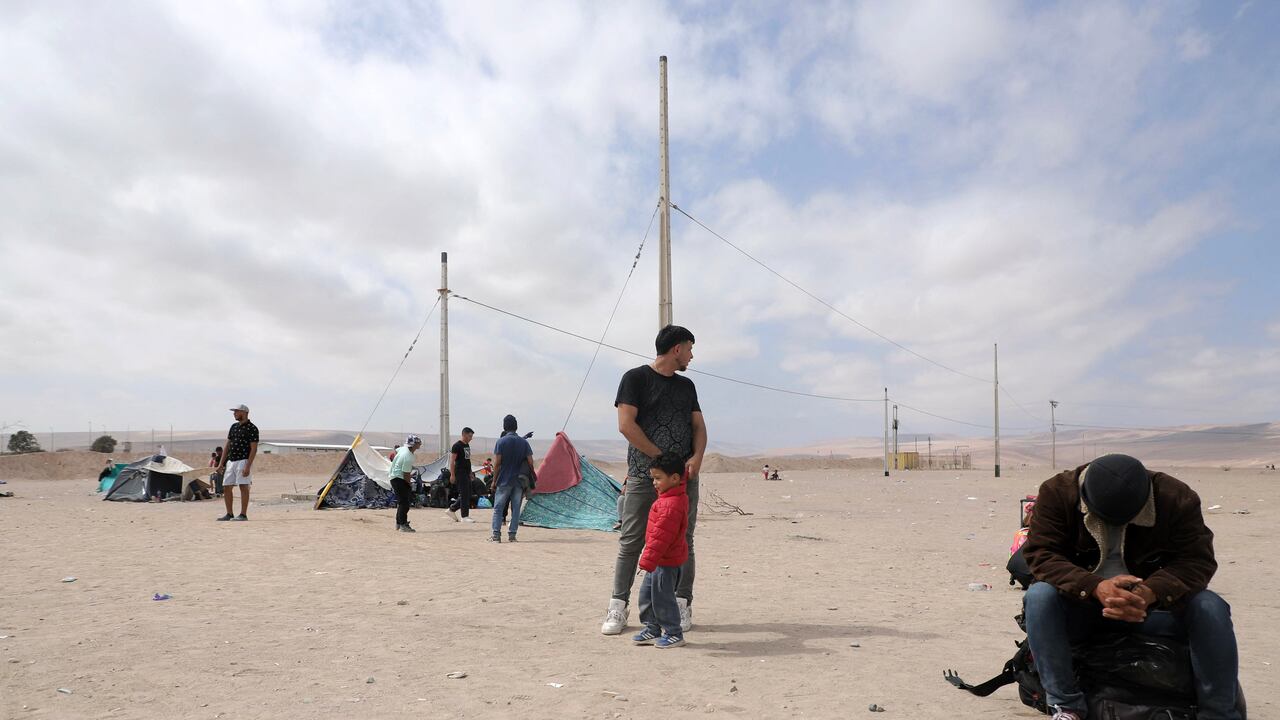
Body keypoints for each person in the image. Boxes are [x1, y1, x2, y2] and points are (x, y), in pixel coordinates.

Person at [1021, 454, 1241, 720]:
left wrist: (1150, 592)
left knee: (1210, 606)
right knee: (1039, 596)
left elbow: (1197, 560)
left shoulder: (1176, 497)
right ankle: (1066, 707)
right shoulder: (1057, 492)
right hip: (1083, 611)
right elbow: (1041, 554)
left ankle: (1218, 714)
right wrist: (1094, 587)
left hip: (1153, 612)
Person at [602, 325, 706, 636]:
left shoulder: (687, 386)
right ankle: (617, 607)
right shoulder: (635, 378)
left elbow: (699, 426)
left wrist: (697, 457)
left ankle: (681, 603)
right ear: (676, 349)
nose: (691, 355)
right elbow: (626, 424)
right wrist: (660, 460)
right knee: (631, 541)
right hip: (643, 476)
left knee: (683, 541)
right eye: (689, 348)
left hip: (684, 478)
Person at [632, 452, 690, 649]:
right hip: (658, 561)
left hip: (665, 562)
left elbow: (661, 538)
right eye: (653, 478)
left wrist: (647, 561)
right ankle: (652, 628)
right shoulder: (667, 499)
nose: (654, 483)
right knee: (647, 595)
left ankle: (674, 632)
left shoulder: (670, 505)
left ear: (674, 478)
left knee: (663, 598)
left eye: (658, 478)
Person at [490, 415, 534, 543]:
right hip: (519, 481)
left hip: (504, 480)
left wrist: (494, 481)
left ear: (504, 426)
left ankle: (496, 535)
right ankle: (512, 535)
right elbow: (530, 462)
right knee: (515, 508)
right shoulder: (524, 442)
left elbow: (497, 464)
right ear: (516, 426)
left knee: (498, 508)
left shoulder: (501, 442)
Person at [215, 404, 258, 521]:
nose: (234, 414)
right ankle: (229, 513)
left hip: (243, 460)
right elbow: (227, 445)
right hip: (231, 461)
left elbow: (253, 448)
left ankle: (243, 514)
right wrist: (221, 464)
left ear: (244, 412)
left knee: (243, 486)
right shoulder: (233, 427)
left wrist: (248, 466)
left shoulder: (252, 428)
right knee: (226, 487)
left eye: (236, 411)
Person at [389, 435, 420, 532]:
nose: (420, 443)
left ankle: (399, 523)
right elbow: (406, 473)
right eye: (418, 442)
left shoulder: (403, 449)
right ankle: (403, 525)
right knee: (405, 503)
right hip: (399, 478)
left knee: (401, 502)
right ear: (413, 445)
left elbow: (396, 450)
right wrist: (409, 484)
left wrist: (396, 461)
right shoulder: (408, 456)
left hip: (394, 477)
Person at [447, 427, 476, 523]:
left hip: (467, 472)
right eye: (469, 436)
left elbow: (468, 460)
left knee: (468, 493)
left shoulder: (467, 445)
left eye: (472, 436)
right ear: (464, 434)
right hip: (460, 472)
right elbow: (452, 461)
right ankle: (464, 516)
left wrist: (470, 472)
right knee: (464, 494)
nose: (471, 438)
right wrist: (452, 475)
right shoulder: (456, 446)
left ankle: (452, 509)